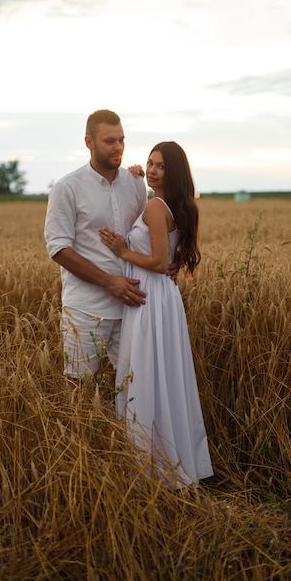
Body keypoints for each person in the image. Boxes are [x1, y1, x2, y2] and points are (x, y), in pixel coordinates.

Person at [99, 141, 213, 489]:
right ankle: (172, 459)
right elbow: (168, 259)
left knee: (145, 377)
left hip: (149, 296)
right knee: (165, 378)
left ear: (172, 171)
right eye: (149, 163)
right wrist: (132, 173)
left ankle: (152, 469)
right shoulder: (175, 206)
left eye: (160, 166)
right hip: (163, 297)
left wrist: (122, 250)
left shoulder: (154, 207)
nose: (151, 170)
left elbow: (161, 263)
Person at [44, 109, 148, 381]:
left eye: (122, 140)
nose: (118, 148)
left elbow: (145, 235)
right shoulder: (67, 188)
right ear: (88, 142)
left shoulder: (135, 183)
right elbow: (58, 248)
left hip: (130, 306)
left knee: (130, 389)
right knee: (78, 388)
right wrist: (108, 282)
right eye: (109, 141)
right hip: (85, 308)